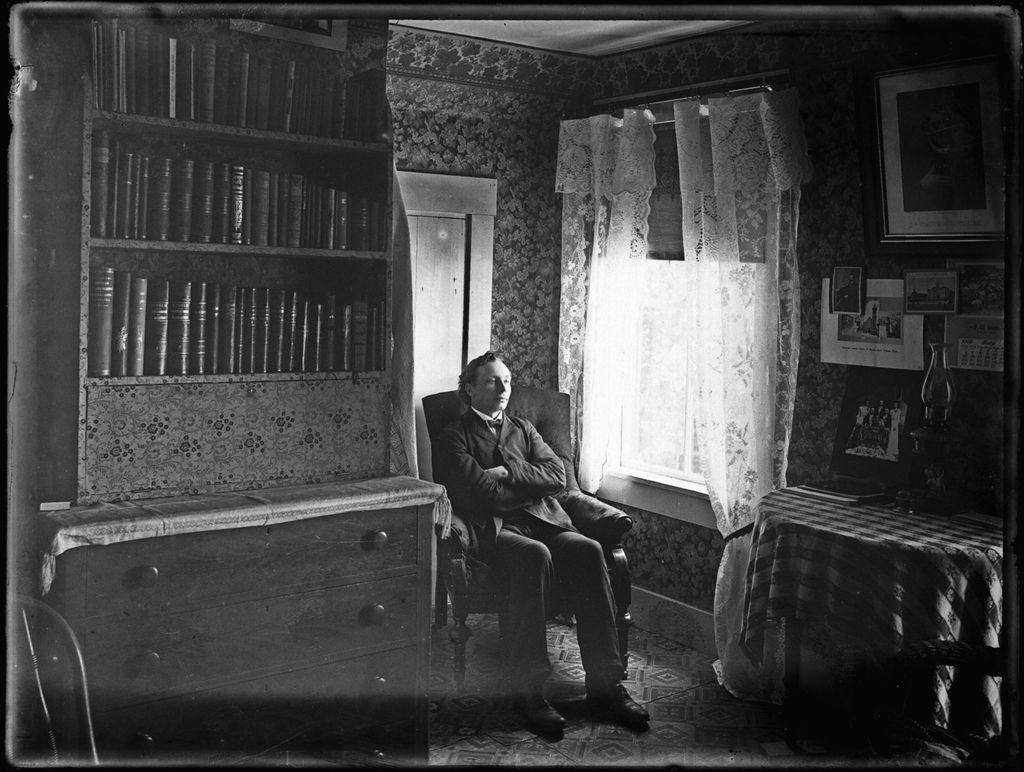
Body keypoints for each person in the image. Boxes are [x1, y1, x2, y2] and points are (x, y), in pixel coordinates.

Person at [435, 351, 650, 733]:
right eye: (491, 381)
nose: (503, 388)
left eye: (507, 380)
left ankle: (605, 687)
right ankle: (529, 691)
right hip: (499, 531)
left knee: (588, 548)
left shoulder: (524, 428)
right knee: (534, 555)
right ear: (469, 389)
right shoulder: (454, 435)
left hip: (547, 519)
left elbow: (557, 476)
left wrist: (506, 472)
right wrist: (521, 486)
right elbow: (479, 493)